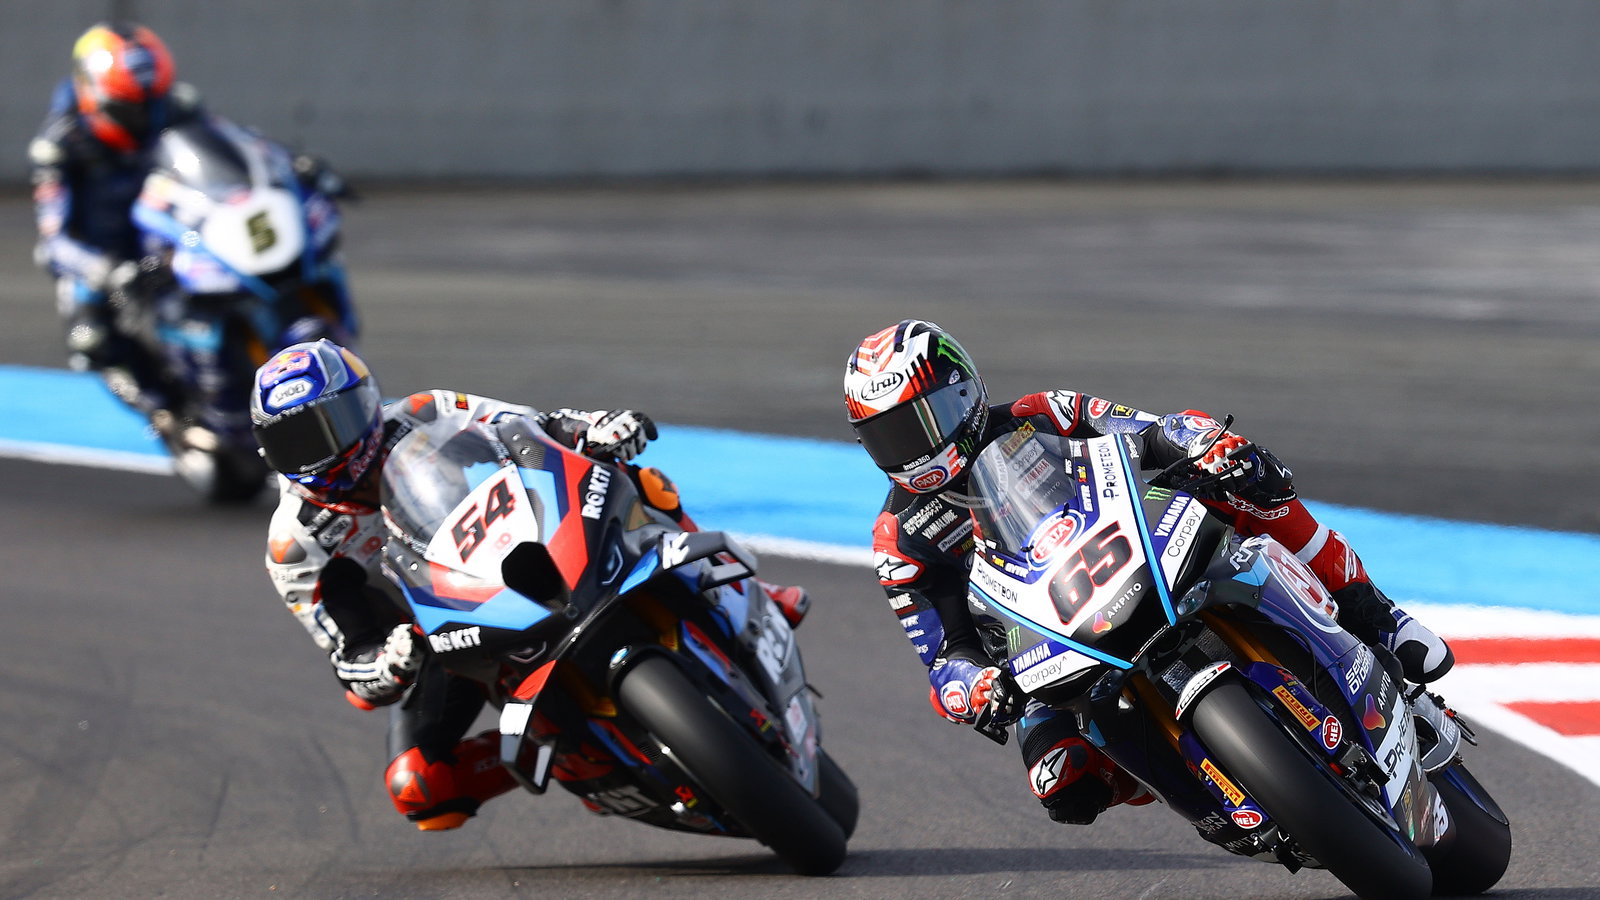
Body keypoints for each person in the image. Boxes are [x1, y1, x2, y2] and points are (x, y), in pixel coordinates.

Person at [843, 318, 1454, 826]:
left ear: (964, 394)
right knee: (1062, 784)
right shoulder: (899, 538)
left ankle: (1376, 614)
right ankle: (1200, 783)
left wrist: (1202, 443)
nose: (915, 446)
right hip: (1042, 650)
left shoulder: (1041, 413)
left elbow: (1150, 430)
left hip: (1141, 554)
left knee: (1243, 481)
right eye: (889, 436)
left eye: (924, 419)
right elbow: (942, 652)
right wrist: (972, 687)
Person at [251, 339, 808, 831]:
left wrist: (593, 428)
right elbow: (349, 658)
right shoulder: (296, 543)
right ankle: (560, 752)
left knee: (639, 478)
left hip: (523, 543)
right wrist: (387, 662)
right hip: (446, 638)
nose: (321, 451)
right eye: (295, 441)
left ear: (366, 404)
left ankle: (742, 589)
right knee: (421, 790)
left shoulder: (428, 411)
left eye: (331, 424)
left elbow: (532, 429)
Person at [30, 21, 348, 424]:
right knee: (91, 339)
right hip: (105, 252)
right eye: (130, 108)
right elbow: (55, 240)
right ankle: (169, 415)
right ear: (92, 95)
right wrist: (106, 270)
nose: (146, 117)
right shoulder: (60, 146)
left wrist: (292, 163)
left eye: (154, 102)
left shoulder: (176, 105)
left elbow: (234, 141)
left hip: (165, 226)